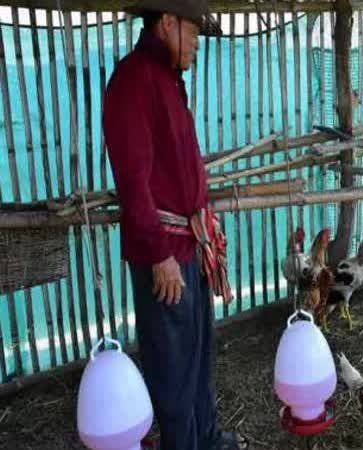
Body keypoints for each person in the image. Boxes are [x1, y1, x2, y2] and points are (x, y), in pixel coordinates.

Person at [102, 1, 245, 448]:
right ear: (167, 22)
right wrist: (158, 254)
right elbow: (133, 178)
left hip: (191, 246)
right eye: (194, 33)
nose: (198, 44)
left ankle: (206, 438)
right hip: (164, 252)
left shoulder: (166, 79)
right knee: (174, 367)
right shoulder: (133, 80)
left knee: (198, 355)